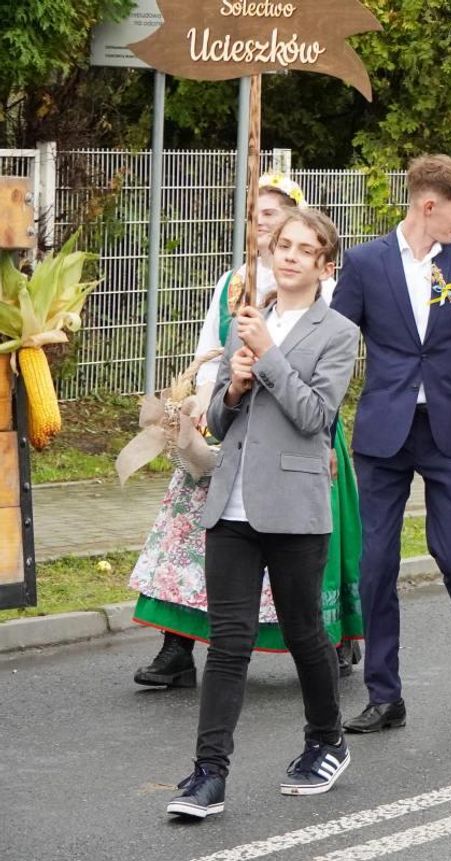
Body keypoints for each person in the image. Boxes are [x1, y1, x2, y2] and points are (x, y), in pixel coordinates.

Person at [130, 172, 361, 687]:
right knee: (189, 535)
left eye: (273, 215)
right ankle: (178, 644)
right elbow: (210, 348)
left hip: (296, 440)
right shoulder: (234, 283)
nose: (263, 225)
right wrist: (208, 402)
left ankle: (328, 640)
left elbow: (321, 387)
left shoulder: (319, 290)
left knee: (302, 553)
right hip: (231, 428)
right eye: (256, 216)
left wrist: (320, 437)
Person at [165, 209, 361, 819]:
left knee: (305, 633)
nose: (291, 256)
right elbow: (219, 422)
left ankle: (326, 740)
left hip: (295, 507)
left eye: (306, 249)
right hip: (231, 506)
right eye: (284, 245)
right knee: (229, 642)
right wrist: (233, 388)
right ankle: (208, 774)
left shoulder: (338, 333)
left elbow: (315, 417)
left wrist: (269, 357)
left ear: (325, 266)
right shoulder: (248, 319)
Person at [331, 154, 451, 733]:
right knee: (375, 565)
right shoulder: (365, 263)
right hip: (383, 432)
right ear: (428, 205)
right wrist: (317, 429)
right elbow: (334, 350)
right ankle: (385, 695)